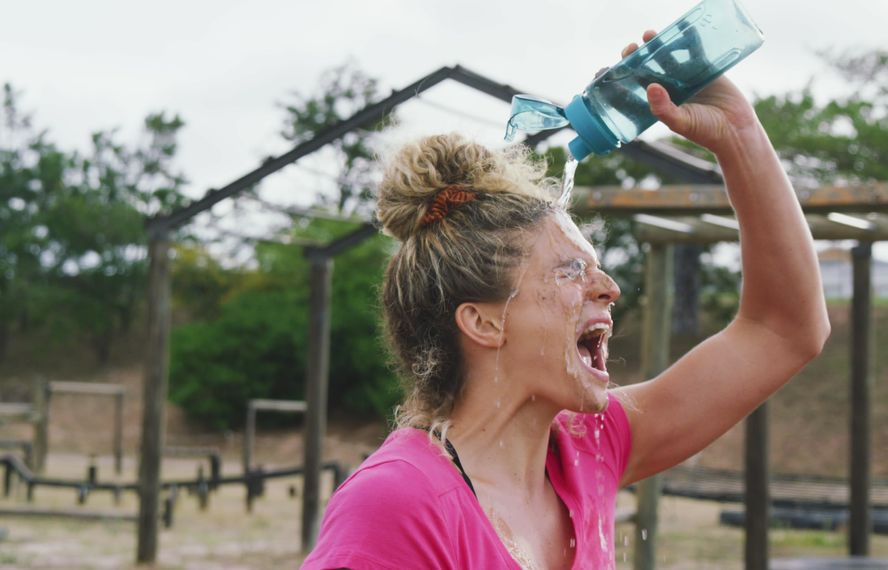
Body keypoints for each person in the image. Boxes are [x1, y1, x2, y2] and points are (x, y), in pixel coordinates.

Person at [302, 30, 830, 570]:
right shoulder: (398, 506)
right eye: (572, 270)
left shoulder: (589, 450)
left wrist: (739, 134)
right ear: (483, 321)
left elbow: (784, 329)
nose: (609, 288)